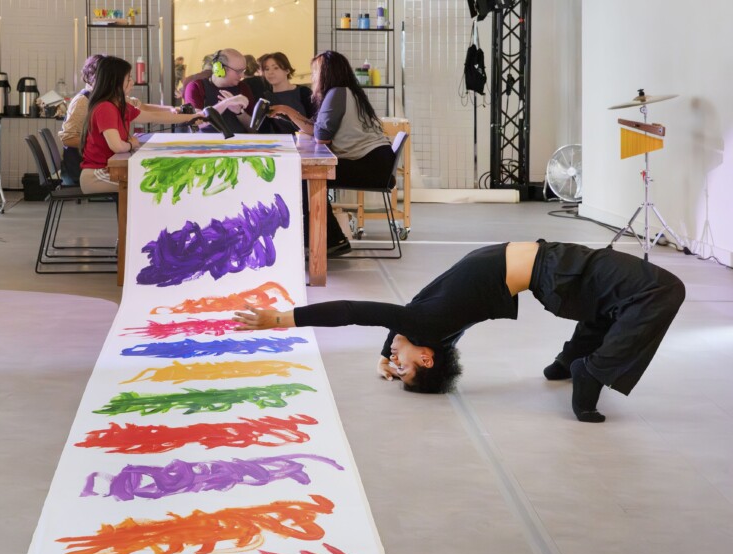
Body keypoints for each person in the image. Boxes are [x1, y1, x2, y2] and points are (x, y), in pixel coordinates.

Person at [233, 241, 686, 423]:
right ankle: (593, 370)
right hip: (557, 270)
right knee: (664, 289)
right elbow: (355, 310)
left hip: (557, 280)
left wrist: (384, 354)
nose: (395, 361)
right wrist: (283, 319)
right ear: (427, 358)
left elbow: (390, 321)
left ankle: (569, 363)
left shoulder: (429, 327)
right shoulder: (426, 327)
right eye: (404, 369)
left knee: (612, 303)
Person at [269, 50, 394, 256]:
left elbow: (321, 136)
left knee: (306, 176)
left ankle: (328, 240)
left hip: (370, 166)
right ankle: (325, 238)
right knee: (306, 175)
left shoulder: (336, 94)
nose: (313, 77)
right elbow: (318, 129)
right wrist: (288, 111)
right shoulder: (346, 92)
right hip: (377, 162)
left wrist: (297, 115)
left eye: (315, 72)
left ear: (327, 73)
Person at [78, 56, 236, 194]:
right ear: (115, 83)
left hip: (108, 171)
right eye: (128, 79)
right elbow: (118, 147)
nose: (132, 82)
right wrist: (130, 143)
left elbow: (153, 116)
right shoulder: (105, 108)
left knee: (157, 179)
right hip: (96, 175)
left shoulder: (119, 105)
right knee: (155, 183)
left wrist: (191, 116)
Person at [59, 54, 175, 185]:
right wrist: (102, 143)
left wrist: (173, 109)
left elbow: (140, 106)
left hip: (109, 161)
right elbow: (67, 138)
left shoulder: (113, 98)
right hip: (84, 166)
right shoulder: (83, 101)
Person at [183, 48, 257, 135]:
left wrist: (240, 112)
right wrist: (226, 103)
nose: (242, 75)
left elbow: (253, 129)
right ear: (220, 68)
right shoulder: (196, 87)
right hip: (206, 145)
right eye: (238, 71)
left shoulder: (243, 87)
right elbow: (195, 125)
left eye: (243, 71)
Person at [258, 51, 313, 135]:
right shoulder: (265, 98)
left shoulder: (304, 92)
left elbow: (316, 126)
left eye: (276, 68)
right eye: (267, 69)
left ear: (287, 70)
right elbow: (263, 130)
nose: (270, 72)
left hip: (306, 141)